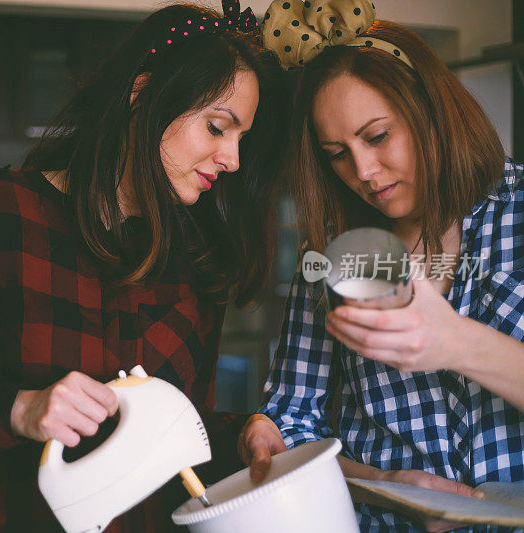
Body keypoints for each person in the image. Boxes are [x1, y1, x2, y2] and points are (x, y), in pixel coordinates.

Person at [0, 1, 288, 530]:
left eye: (242, 138)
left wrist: (241, 433)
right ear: (141, 96)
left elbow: (175, 430)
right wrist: (19, 411)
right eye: (218, 127)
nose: (233, 159)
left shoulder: (196, 260)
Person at [237, 1, 524, 532]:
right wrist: (383, 485)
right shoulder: (331, 254)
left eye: (376, 136)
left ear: (431, 111)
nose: (364, 172)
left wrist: (457, 342)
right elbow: (291, 419)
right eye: (336, 154)